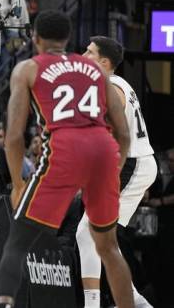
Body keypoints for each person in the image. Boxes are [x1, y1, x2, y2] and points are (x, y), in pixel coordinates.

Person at [0, 10, 133, 308]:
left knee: (17, 242)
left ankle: (4, 304)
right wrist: (114, 170)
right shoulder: (96, 70)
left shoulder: (28, 68)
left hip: (66, 146)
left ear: (35, 38)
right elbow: (123, 133)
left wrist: (18, 183)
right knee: (109, 248)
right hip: (103, 148)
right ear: (68, 39)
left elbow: (15, 136)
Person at [76, 36, 157, 308]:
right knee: (99, 236)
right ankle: (135, 302)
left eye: (89, 52)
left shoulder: (111, 86)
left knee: (88, 230)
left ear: (104, 62)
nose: (83, 55)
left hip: (130, 164)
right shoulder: (112, 85)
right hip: (133, 163)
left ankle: (93, 303)